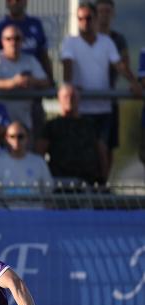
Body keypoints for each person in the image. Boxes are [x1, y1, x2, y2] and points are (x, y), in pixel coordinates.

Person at [61, 2, 141, 175]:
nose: (84, 23)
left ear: (95, 19)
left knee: (104, 147)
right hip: (81, 108)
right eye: (80, 18)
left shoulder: (107, 42)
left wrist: (133, 83)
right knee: (83, 149)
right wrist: (69, 85)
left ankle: (102, 187)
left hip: (104, 108)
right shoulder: (70, 42)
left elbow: (119, 65)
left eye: (89, 18)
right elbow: (67, 64)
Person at [35, 84, 107, 186]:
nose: (69, 100)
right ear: (59, 99)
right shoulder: (51, 126)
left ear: (79, 99)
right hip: (60, 183)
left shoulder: (90, 125)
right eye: (65, 97)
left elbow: (102, 153)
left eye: (73, 97)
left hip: (87, 182)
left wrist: (103, 178)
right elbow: (40, 153)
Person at [0, 25, 49, 132]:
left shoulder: (30, 60)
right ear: (2, 41)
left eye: (17, 38)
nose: (13, 42)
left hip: (24, 120)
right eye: (9, 39)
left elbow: (46, 82)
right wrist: (14, 82)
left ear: (22, 41)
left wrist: (31, 81)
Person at [95, 0, 130, 167]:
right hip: (89, 100)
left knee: (108, 145)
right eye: (100, 11)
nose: (104, 16)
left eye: (107, 11)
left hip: (110, 99)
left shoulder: (118, 39)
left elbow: (124, 65)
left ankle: (104, 185)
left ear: (113, 14)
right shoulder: (87, 39)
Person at [0, 0, 53, 84]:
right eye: (10, 0)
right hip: (5, 80)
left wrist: (50, 78)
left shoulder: (35, 24)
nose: (14, 3)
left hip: (32, 80)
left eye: (18, 0)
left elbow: (43, 54)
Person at [0, 121, 52, 198]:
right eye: (12, 136)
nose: (16, 140)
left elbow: (48, 193)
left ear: (27, 138)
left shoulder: (39, 162)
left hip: (34, 209)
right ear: (6, 139)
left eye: (20, 136)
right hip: (4, 209)